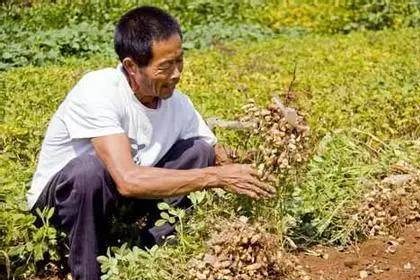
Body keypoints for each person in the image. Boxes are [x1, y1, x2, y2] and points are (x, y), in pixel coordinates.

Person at [26, 6, 276, 280]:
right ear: (132, 67)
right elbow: (128, 180)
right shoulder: (98, 90)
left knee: (198, 151)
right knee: (91, 170)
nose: (177, 74)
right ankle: (87, 272)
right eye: (165, 66)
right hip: (61, 204)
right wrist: (216, 177)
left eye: (179, 61)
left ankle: (148, 252)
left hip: (118, 200)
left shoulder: (177, 103)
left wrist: (262, 154)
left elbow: (214, 154)